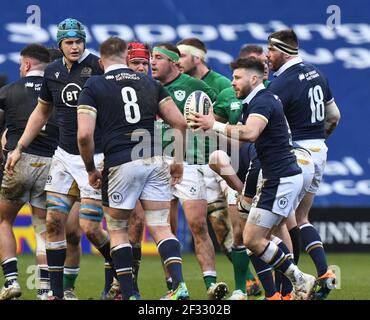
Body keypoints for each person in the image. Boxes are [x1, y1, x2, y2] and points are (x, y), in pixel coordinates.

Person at [190, 57, 317, 300]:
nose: (232, 82)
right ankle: (294, 283)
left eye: (237, 77)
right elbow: (242, 139)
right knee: (259, 237)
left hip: (281, 177)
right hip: (273, 176)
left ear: (254, 78)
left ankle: (296, 282)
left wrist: (213, 124)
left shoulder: (262, 101)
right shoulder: (254, 102)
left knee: (254, 238)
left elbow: (249, 133)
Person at [5, 18, 114, 300]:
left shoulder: (99, 68)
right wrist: (18, 147)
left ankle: (117, 262)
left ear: (84, 42)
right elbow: (41, 112)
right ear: (60, 44)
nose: (75, 47)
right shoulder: (52, 71)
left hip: (96, 155)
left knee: (89, 228)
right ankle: (55, 293)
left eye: (78, 41)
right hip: (63, 157)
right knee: (54, 222)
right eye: (69, 42)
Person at [77, 36, 189, 300]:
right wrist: (178, 161)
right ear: (127, 57)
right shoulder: (150, 83)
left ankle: (129, 295)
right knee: (161, 226)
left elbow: (84, 136)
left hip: (120, 161)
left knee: (117, 230)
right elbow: (180, 123)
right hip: (155, 158)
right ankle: (179, 287)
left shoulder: (94, 84)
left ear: (102, 62)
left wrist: (91, 168)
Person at [266, 29, 340, 299]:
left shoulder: (281, 83)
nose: (267, 56)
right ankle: (325, 274)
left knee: (278, 223)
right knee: (301, 218)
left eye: (270, 51)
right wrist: (319, 140)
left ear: (282, 52)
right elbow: (334, 116)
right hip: (320, 150)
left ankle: (288, 290)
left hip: (297, 154)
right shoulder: (317, 73)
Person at [151, 43, 229, 300]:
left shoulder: (195, 86)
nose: (153, 62)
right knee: (166, 227)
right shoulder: (148, 88)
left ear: (174, 62)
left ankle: (211, 283)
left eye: (159, 58)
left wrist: (216, 130)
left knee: (197, 224)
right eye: (151, 58)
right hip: (155, 165)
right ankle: (175, 287)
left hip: (187, 164)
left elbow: (219, 112)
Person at [211, 44, 269, 299]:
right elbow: (215, 131)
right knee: (239, 232)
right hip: (240, 169)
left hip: (269, 167)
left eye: (261, 63)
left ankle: (283, 286)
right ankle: (240, 289)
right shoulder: (227, 95)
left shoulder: (272, 94)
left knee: (274, 231)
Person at [0, 44, 56, 300]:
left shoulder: (7, 91)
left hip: (18, 161)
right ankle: (44, 290)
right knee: (42, 228)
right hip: (51, 164)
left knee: (3, 221)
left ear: (26, 64)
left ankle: (11, 280)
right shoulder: (56, 91)